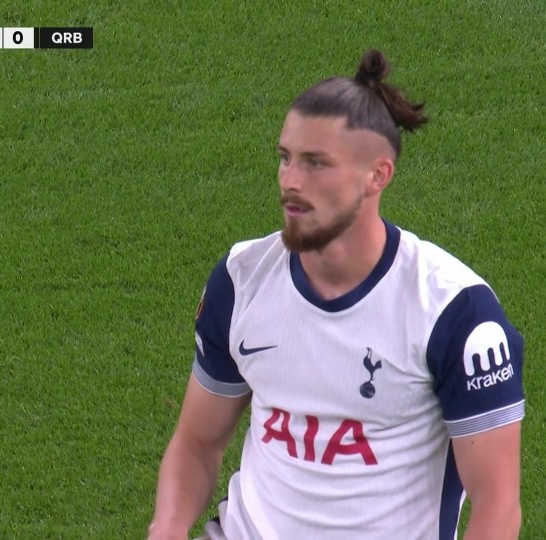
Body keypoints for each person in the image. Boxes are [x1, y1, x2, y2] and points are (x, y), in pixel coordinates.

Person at [148, 49, 525, 539]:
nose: (290, 182)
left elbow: (497, 505)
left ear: (377, 175)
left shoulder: (454, 312)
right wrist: (168, 529)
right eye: (285, 158)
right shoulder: (242, 279)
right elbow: (198, 442)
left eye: (316, 164)